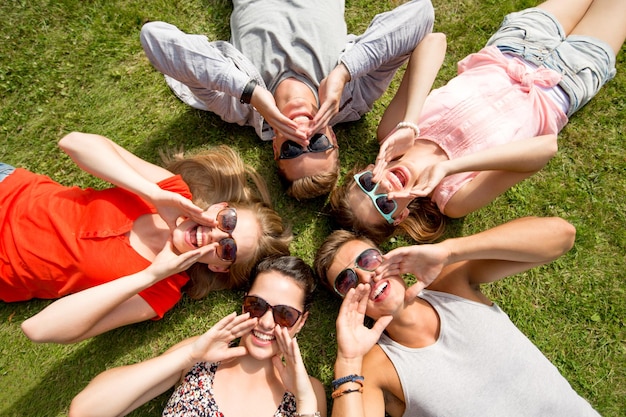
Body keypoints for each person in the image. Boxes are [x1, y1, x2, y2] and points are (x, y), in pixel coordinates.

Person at [330, 0, 626, 243]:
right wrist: (448, 167)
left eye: (369, 184)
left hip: (517, 42)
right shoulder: (453, 198)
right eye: (384, 205)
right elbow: (546, 148)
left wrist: (410, 124)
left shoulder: (392, 132)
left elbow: (433, 42)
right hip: (566, 82)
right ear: (401, 216)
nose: (385, 187)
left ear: (367, 170)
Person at [1, 132, 292, 343]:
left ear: (219, 267)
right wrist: (151, 191)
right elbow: (73, 143)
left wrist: (149, 275)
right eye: (227, 221)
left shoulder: (159, 290)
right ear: (219, 207)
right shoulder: (171, 191)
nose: (214, 235)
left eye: (227, 249)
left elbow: (40, 329)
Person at [139, 0, 436, 199]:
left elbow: (155, 38)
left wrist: (251, 92)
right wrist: (343, 73)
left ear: (274, 149)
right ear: (333, 136)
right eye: (318, 144)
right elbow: (421, 13)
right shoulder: (353, 98)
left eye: (293, 149)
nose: (303, 134)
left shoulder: (236, 107)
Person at [313, 216, 602, 416]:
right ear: (347, 302)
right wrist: (348, 360)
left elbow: (562, 235)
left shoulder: (451, 284)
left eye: (367, 260)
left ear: (389, 256)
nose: (366, 276)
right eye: (347, 281)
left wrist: (448, 251)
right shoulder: (376, 368)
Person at [69, 255, 326, 417]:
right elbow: (84, 410)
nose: (266, 322)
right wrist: (189, 355)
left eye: (284, 315)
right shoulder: (202, 354)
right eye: (257, 306)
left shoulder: (307, 390)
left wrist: (303, 399)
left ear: (301, 322)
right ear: (244, 302)